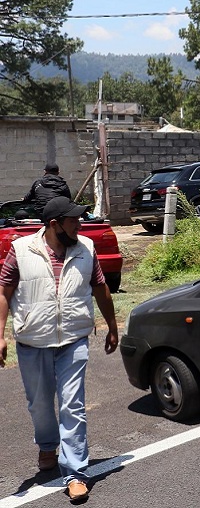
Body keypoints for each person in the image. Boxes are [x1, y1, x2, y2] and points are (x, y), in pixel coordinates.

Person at [0, 196, 118, 503]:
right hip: (32, 340)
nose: (79, 225)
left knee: (72, 404)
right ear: (54, 225)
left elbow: (100, 288)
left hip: (73, 339)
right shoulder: (21, 249)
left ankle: (76, 472)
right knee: (39, 404)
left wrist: (112, 325)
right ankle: (47, 445)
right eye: (73, 221)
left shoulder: (86, 249)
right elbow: (4, 291)